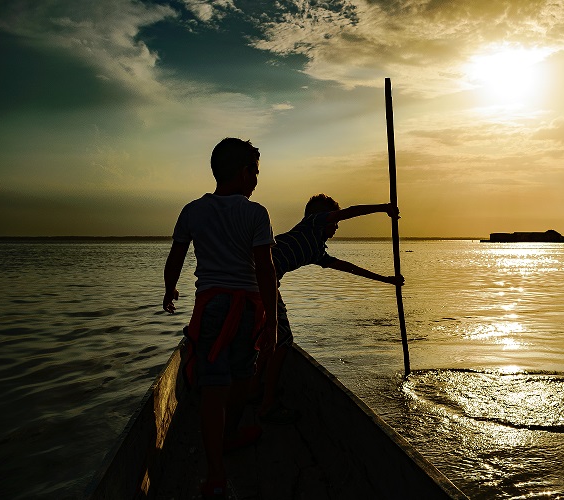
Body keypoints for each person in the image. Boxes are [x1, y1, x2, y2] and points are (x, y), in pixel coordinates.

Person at [162, 138, 278, 499]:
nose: (257, 180)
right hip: (247, 307)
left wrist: (169, 290)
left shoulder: (192, 210)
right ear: (244, 173)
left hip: (211, 306)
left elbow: (176, 257)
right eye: (255, 172)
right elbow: (265, 269)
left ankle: (215, 474)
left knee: (213, 387)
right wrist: (272, 323)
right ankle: (227, 439)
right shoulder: (256, 214)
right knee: (243, 376)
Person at [253, 194, 404, 423]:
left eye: (335, 223)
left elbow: (349, 268)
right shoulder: (312, 223)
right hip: (261, 278)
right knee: (283, 340)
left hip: (262, 281)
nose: (336, 226)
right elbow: (350, 211)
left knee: (269, 338)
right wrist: (384, 208)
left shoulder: (317, 252)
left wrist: (387, 280)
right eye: (334, 222)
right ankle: (266, 403)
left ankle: (256, 389)